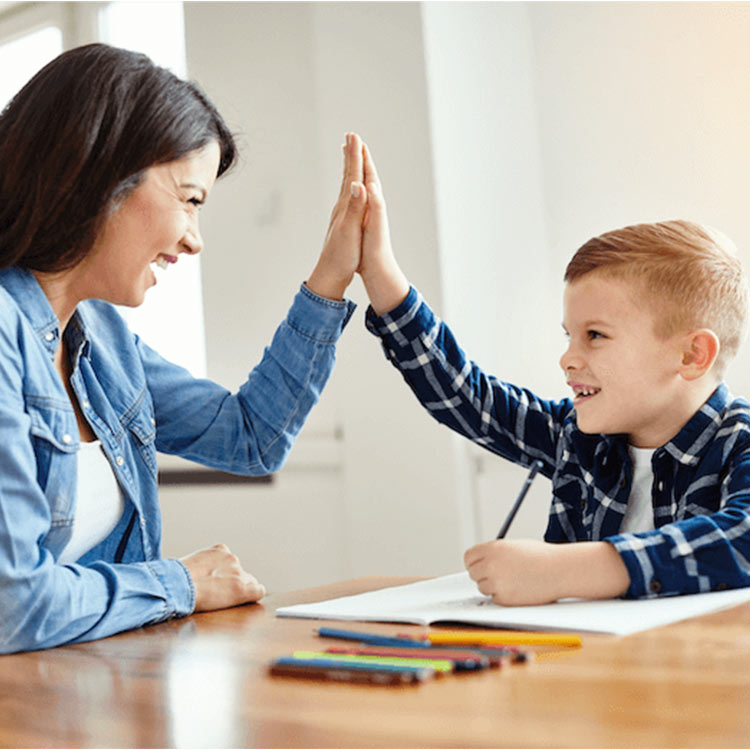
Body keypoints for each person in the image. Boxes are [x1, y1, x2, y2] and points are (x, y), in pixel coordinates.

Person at [0, 43, 370, 653]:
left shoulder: (103, 339)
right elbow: (14, 606)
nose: (195, 241)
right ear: (99, 174)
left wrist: (330, 277)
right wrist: (181, 583)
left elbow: (251, 438)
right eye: (190, 200)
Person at [354, 141, 750, 604]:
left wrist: (572, 570)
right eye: (569, 336)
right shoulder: (576, 436)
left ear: (691, 355)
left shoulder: (738, 440)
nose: (567, 358)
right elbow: (468, 399)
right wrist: (378, 269)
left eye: (595, 335)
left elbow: (743, 537)